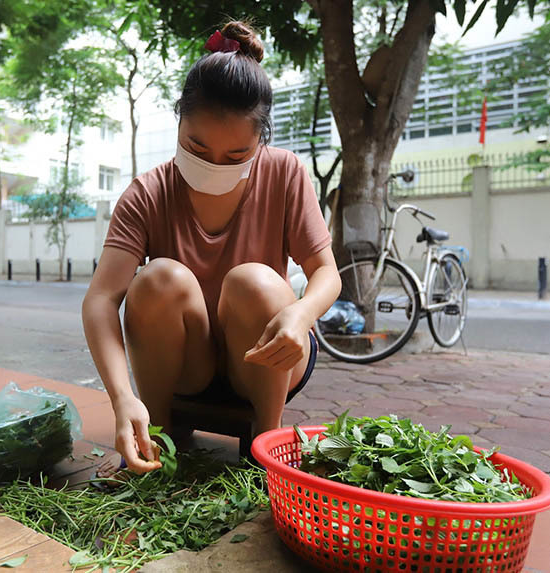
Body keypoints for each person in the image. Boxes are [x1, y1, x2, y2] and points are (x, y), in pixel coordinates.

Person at [82, 21, 341, 475]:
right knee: (159, 278)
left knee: (254, 281)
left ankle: (265, 446)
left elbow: (327, 273)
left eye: (237, 156)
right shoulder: (148, 193)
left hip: (267, 360)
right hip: (185, 367)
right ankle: (157, 435)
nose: (214, 166)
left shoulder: (285, 173)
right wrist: (122, 397)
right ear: (179, 121)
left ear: (260, 141)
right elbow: (101, 299)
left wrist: (300, 316)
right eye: (196, 148)